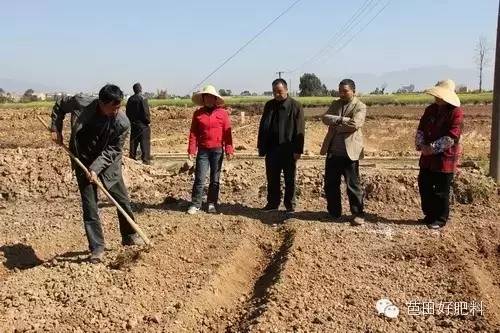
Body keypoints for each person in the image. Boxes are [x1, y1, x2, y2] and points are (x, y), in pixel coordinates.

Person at [50, 84, 144, 264]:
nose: (117, 110)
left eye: (119, 106)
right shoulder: (81, 102)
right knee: (90, 204)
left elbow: (113, 150)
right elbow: (60, 105)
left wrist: (96, 168)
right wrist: (56, 128)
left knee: (121, 198)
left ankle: (130, 235)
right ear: (102, 103)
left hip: (108, 163)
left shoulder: (122, 122)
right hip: (82, 158)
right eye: (114, 107)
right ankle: (97, 247)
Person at [416, 79, 464, 229]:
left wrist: (432, 148)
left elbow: (452, 136)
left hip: (445, 158)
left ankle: (440, 218)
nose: (437, 98)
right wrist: (421, 144)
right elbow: (421, 128)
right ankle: (429, 215)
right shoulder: (430, 109)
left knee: (441, 190)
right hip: (427, 157)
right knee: (425, 184)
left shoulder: (456, 113)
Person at [320, 79, 366, 226]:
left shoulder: (360, 106)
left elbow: (355, 124)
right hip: (333, 151)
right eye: (340, 91)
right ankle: (334, 213)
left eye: (345, 91)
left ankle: (358, 214)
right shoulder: (336, 104)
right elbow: (325, 118)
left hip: (350, 153)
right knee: (330, 184)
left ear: (353, 91)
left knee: (353, 186)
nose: (342, 93)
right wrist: (342, 119)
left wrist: (337, 124)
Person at [257, 78, 305, 217]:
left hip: (288, 149)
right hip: (272, 149)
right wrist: (261, 146)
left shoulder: (295, 106)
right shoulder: (269, 105)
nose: (277, 95)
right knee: (272, 178)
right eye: (274, 92)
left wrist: (298, 150)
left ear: (286, 90)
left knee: (290, 179)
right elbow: (263, 126)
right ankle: (273, 203)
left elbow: (299, 129)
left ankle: (290, 205)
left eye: (279, 92)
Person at [187, 85, 234, 214]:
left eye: (211, 97)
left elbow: (227, 133)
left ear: (215, 99)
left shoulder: (222, 114)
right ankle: (196, 203)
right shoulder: (198, 114)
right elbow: (193, 134)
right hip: (203, 151)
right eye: (206, 97)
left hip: (217, 151)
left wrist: (229, 149)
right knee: (200, 178)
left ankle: (211, 203)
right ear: (203, 99)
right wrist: (191, 150)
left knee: (215, 179)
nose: (208, 99)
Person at [126, 82, 151, 164]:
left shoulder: (130, 99)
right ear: (140, 89)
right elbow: (146, 112)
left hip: (133, 124)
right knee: (145, 143)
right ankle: (146, 161)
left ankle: (132, 159)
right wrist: (148, 121)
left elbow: (127, 113)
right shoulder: (142, 98)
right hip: (143, 125)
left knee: (133, 142)